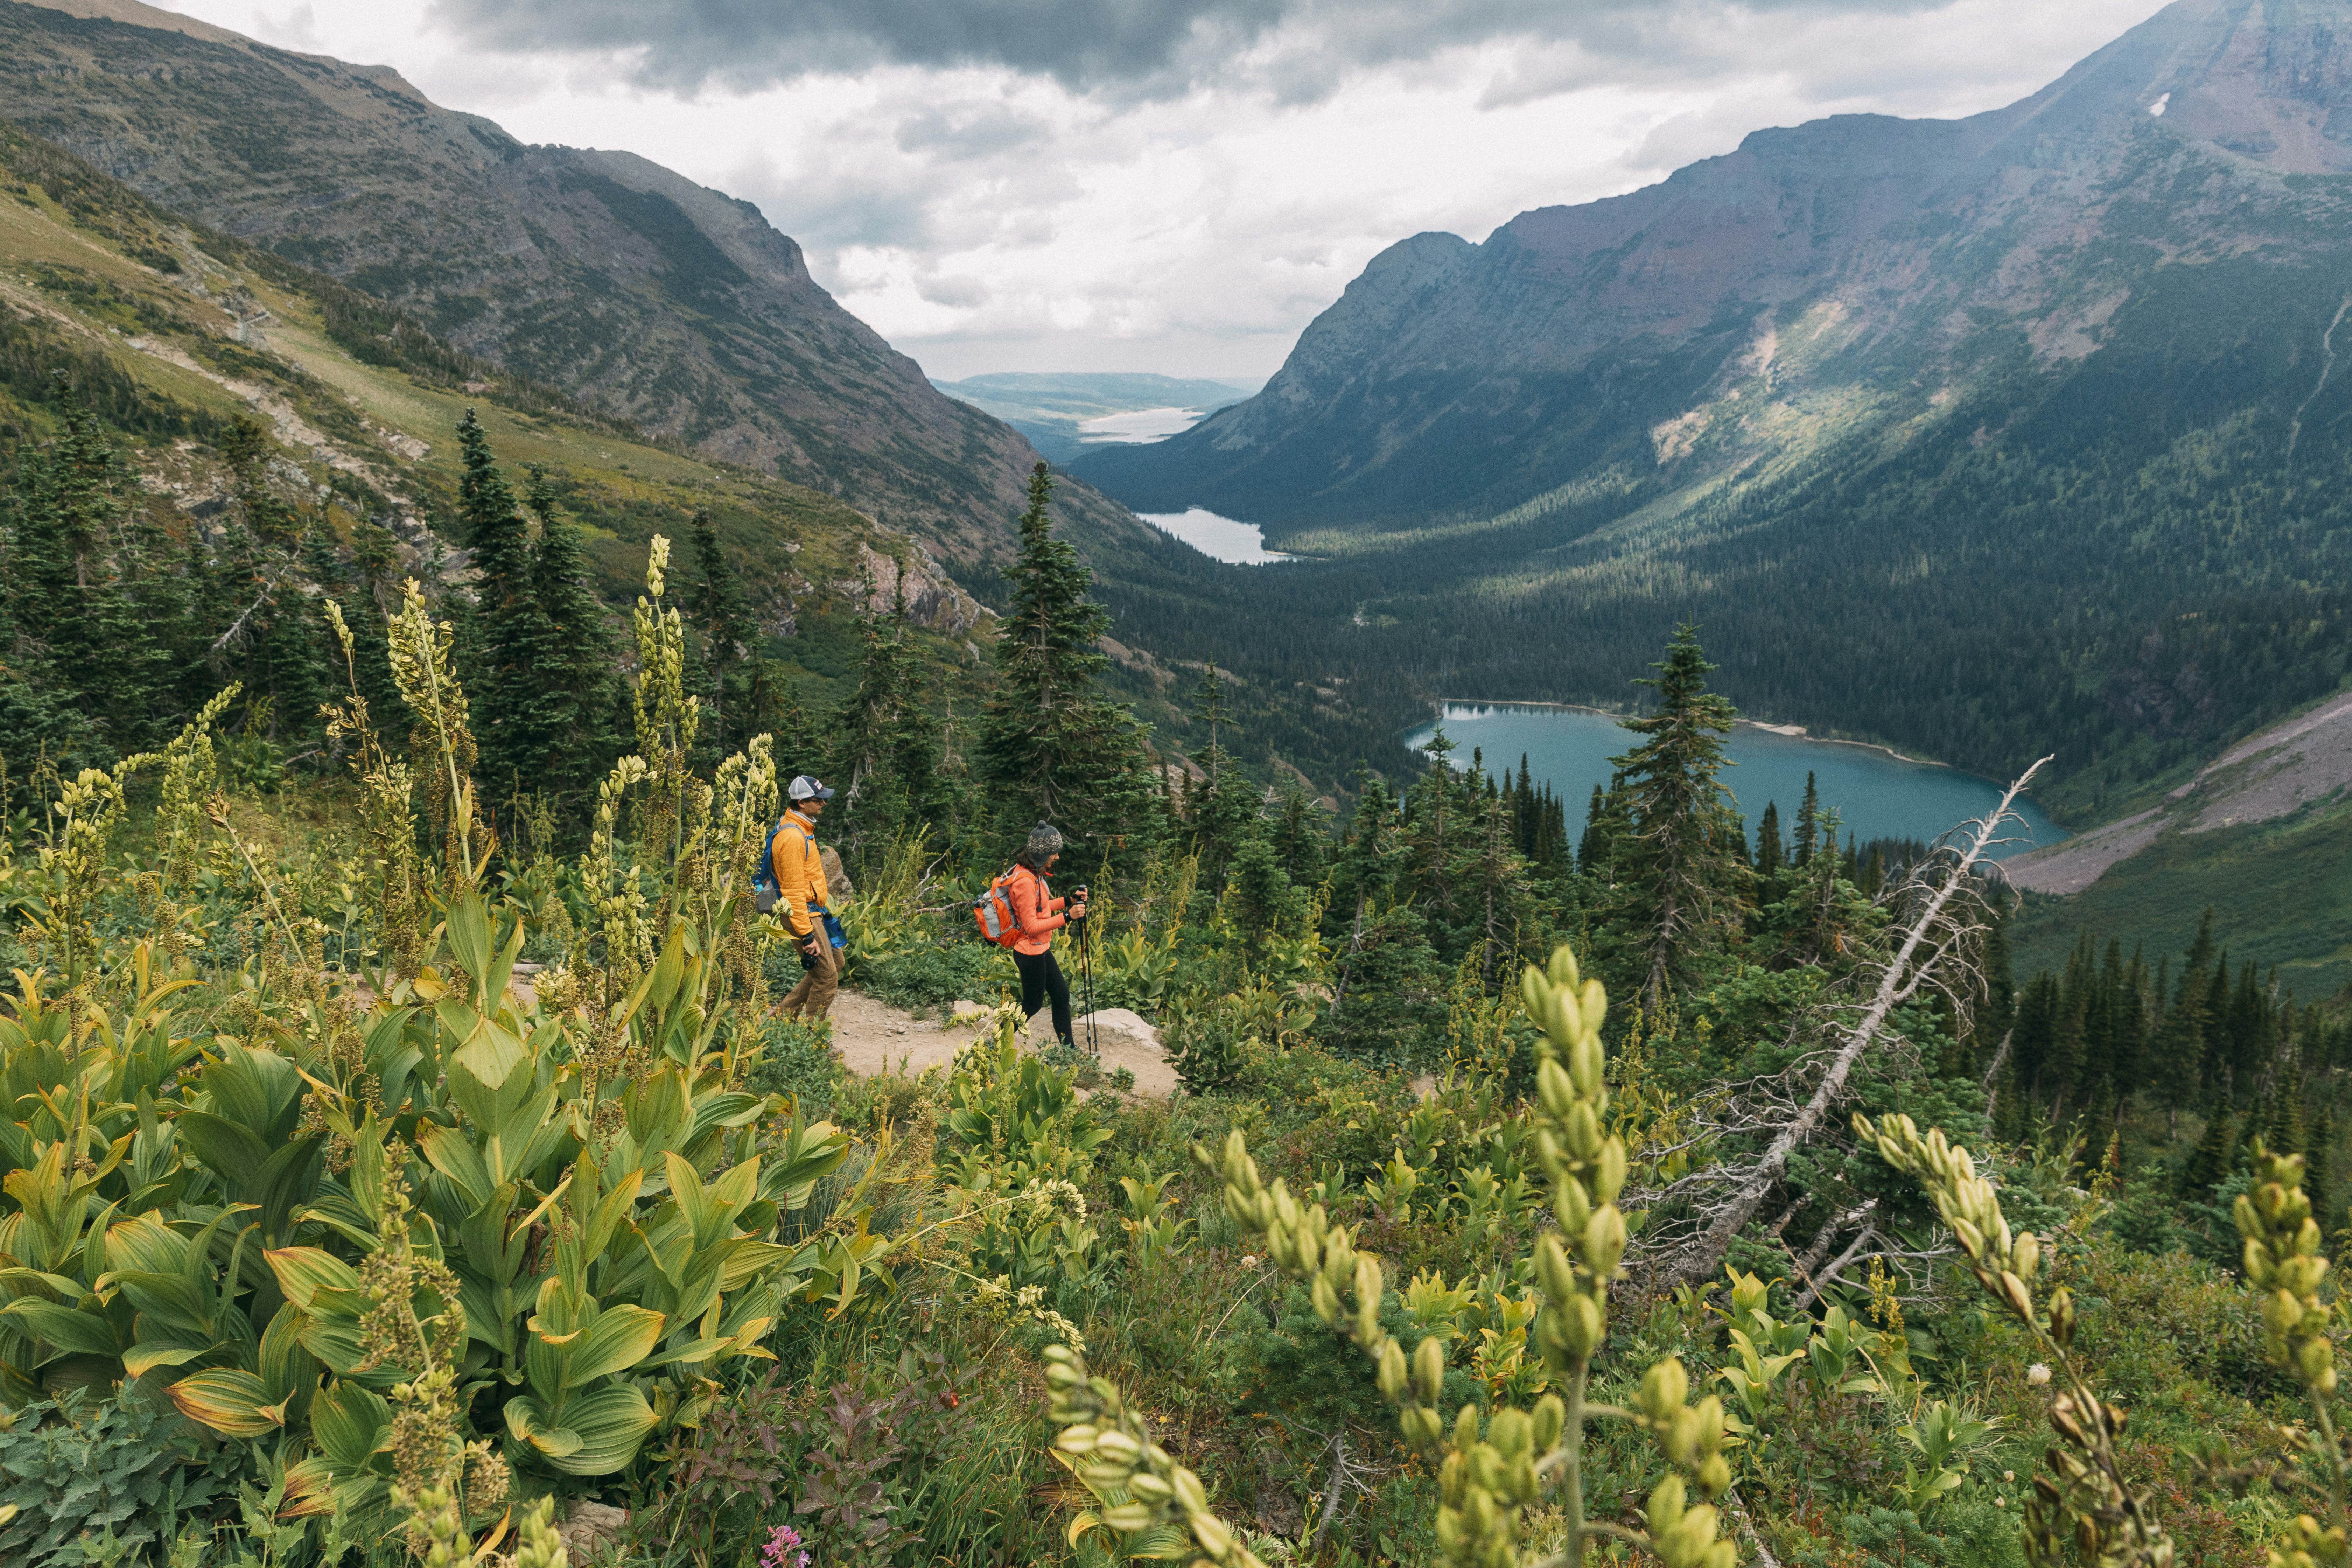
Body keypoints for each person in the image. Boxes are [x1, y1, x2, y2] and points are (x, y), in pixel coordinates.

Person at [1008, 822, 1088, 1048]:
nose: (1057, 857)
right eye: (1054, 852)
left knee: (1061, 996)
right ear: (1043, 854)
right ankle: (997, 1036)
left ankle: (1069, 1049)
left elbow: (1041, 908)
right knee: (1032, 1005)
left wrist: (1068, 901)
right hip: (1029, 952)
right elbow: (1032, 925)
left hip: (1039, 949)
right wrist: (1068, 916)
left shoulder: (1034, 874)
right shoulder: (1025, 881)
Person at [774, 775, 842, 1020]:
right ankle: (811, 1037)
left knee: (836, 961)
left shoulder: (802, 828)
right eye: (818, 800)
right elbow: (792, 891)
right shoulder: (792, 837)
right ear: (802, 803)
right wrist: (807, 935)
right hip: (803, 914)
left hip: (813, 911)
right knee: (827, 978)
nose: (823, 804)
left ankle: (782, 1017)